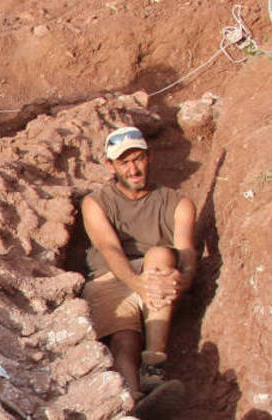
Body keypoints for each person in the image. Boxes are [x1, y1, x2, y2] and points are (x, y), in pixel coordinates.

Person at [81, 127, 197, 418]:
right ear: (111, 166)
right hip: (111, 278)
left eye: (139, 159)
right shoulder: (95, 203)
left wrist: (184, 280)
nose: (133, 169)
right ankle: (134, 401)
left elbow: (186, 251)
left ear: (149, 158)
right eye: (124, 162)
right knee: (124, 339)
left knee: (159, 254)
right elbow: (110, 250)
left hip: (158, 276)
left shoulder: (177, 202)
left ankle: (153, 367)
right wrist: (138, 284)